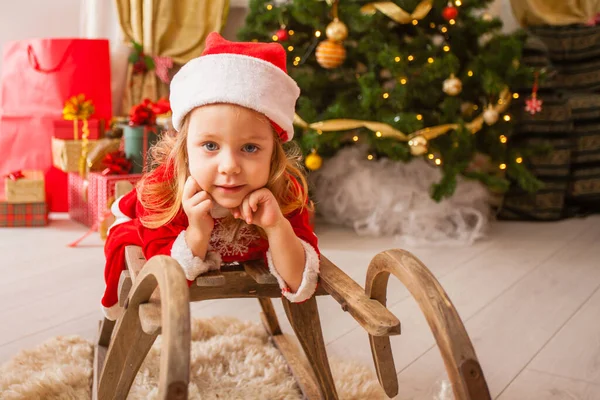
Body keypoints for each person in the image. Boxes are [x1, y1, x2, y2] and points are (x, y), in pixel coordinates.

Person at [101, 32, 320, 320]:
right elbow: (160, 285)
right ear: (185, 146)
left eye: (250, 147)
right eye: (210, 146)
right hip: (148, 230)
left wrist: (277, 226)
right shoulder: (164, 190)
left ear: (274, 154)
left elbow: (300, 282)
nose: (229, 166)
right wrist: (197, 231)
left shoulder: (285, 191)